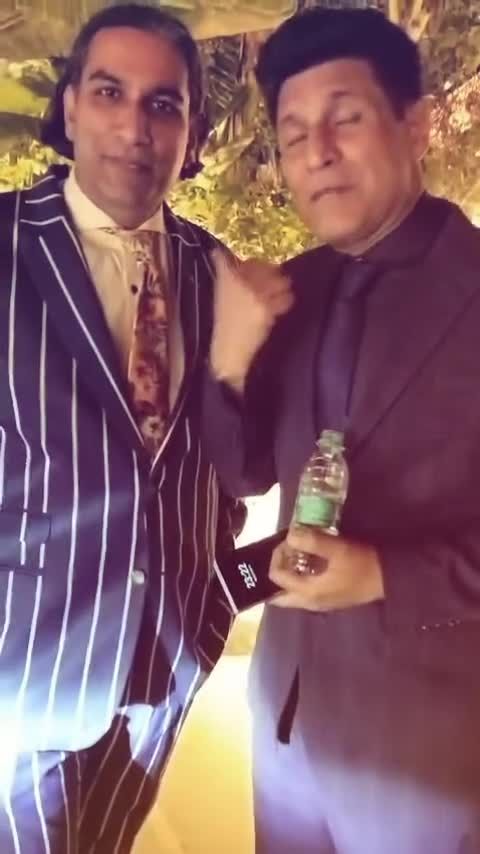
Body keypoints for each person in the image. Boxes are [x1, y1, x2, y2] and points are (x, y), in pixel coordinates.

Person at [203, 8, 480, 853]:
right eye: (293, 134)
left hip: (434, 754)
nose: (316, 152)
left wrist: (387, 575)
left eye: (344, 118)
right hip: (283, 721)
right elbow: (247, 475)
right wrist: (228, 363)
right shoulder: (290, 289)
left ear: (415, 126)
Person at [0, 4, 243, 852]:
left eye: (162, 104)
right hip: (18, 683)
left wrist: (208, 611)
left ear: (192, 130)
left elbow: (225, 472)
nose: (135, 127)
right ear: (69, 107)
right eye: (109, 92)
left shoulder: (221, 278)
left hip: (158, 680)